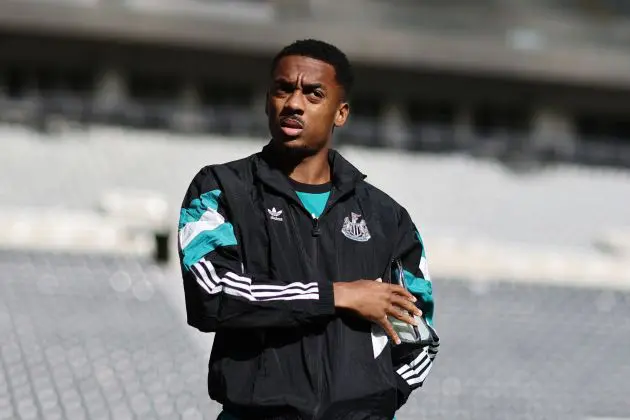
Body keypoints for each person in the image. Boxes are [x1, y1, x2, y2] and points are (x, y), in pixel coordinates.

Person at [178, 39, 439, 420]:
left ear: (340, 113)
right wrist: (335, 296)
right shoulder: (221, 190)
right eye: (283, 89)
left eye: (314, 94)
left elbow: (419, 335)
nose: (294, 104)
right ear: (269, 99)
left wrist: (376, 396)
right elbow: (212, 293)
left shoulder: (387, 217)